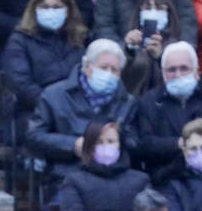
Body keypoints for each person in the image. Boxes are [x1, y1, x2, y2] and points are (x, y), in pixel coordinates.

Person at [24, 38, 135, 178]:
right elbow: (34, 136)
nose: (109, 74)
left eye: (114, 70)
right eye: (103, 67)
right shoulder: (54, 95)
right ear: (88, 67)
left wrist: (114, 141)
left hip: (113, 176)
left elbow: (134, 141)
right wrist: (73, 144)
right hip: (65, 174)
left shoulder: (127, 101)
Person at [129, 40, 202, 171]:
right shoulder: (149, 101)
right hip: (166, 176)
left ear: (196, 71)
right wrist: (181, 144)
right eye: (171, 70)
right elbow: (144, 144)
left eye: (184, 68)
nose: (178, 75)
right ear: (163, 73)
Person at [1, 0, 87, 139]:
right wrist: (51, 104)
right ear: (34, 10)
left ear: (67, 11)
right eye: (45, 7)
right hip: (34, 109)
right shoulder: (20, 40)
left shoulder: (80, 39)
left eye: (56, 7)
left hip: (75, 109)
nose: (51, 11)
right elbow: (21, 83)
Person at [117, 0, 183, 96]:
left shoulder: (177, 46)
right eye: (147, 8)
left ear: (169, 12)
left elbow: (178, 81)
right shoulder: (132, 40)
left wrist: (160, 58)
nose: (153, 12)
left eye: (159, 8)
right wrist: (128, 51)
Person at [94, 0, 198, 49]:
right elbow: (103, 27)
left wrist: (170, 52)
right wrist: (124, 47)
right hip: (127, 63)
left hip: (170, 57)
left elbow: (187, 23)